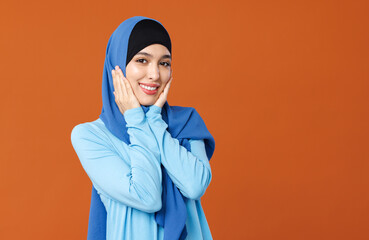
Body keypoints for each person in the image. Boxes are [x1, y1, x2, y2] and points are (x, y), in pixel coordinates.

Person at [71, 16, 215, 240]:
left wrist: (155, 121)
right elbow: (147, 197)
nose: (155, 74)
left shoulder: (186, 122)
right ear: (117, 66)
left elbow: (194, 186)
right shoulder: (91, 136)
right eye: (142, 60)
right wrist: (136, 119)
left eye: (164, 63)